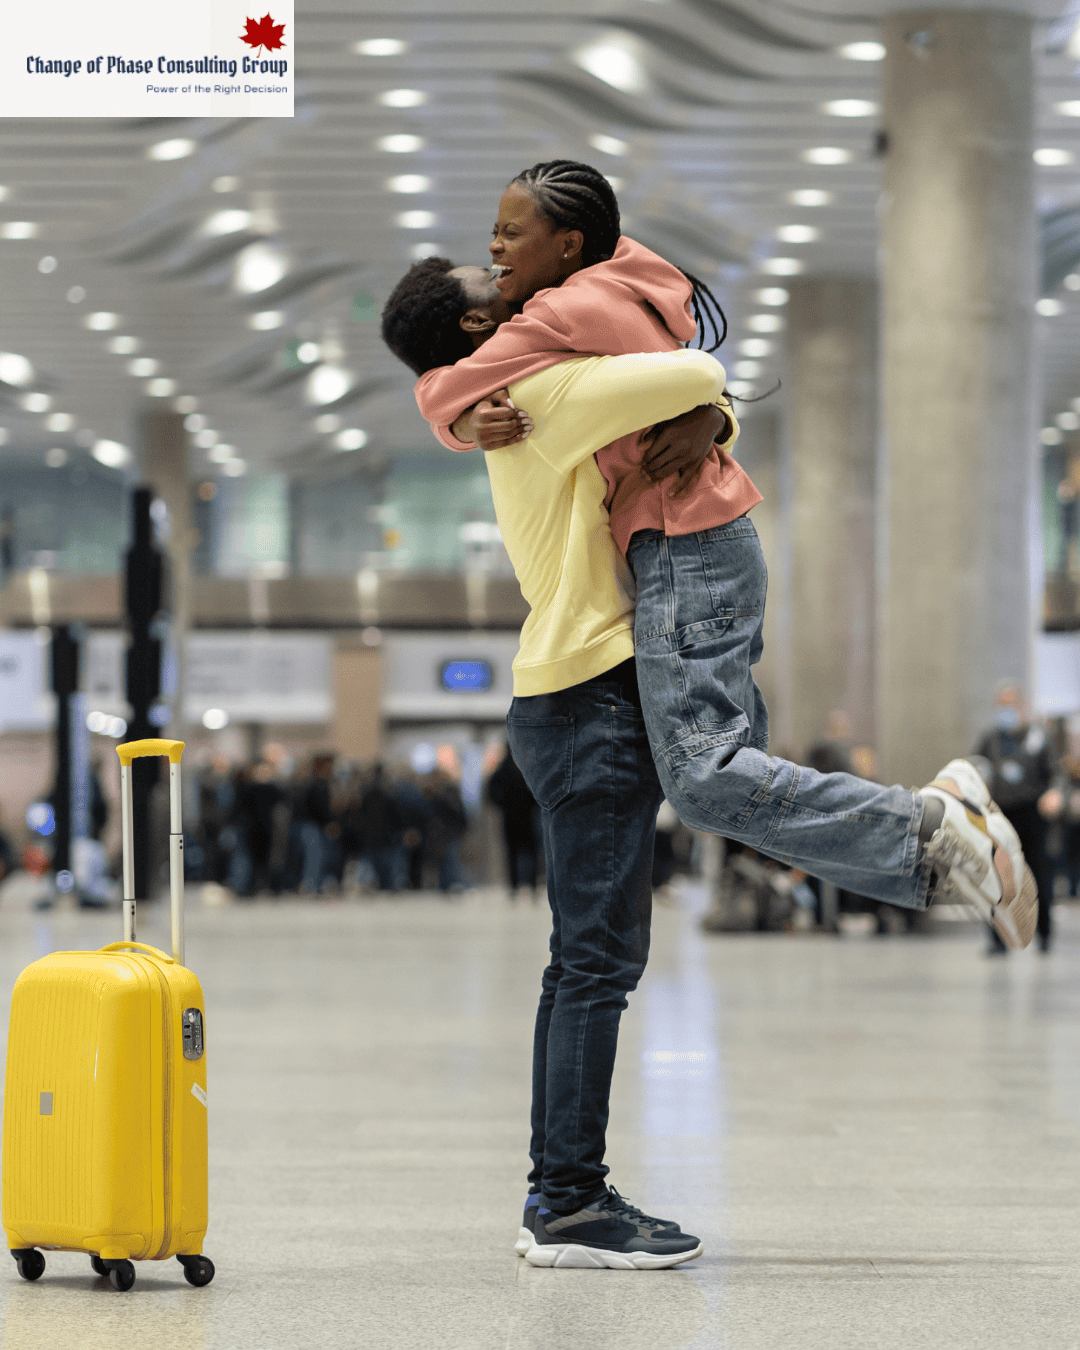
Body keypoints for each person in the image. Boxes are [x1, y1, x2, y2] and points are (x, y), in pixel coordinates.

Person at [381, 160, 1037, 1270]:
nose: (503, 272)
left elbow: (677, 385)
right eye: (489, 285)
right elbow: (686, 369)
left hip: (576, 690)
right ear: (479, 331)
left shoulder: (523, 387)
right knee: (601, 954)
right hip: (589, 694)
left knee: (587, 959)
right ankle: (568, 1202)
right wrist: (704, 400)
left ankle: (561, 1198)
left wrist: (700, 407)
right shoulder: (541, 392)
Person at [973, 682, 1058, 952]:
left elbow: (1054, 773)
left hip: (1032, 814)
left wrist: (1054, 793)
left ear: (1021, 706)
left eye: (1010, 704)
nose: (1006, 710)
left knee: (1038, 874)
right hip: (1000, 815)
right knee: (996, 876)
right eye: (1002, 705)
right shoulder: (990, 740)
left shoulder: (1038, 738)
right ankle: (998, 939)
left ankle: (1044, 933)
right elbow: (975, 769)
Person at [486, 743, 541, 899]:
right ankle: (528, 886)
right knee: (527, 853)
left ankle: (518, 886)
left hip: (516, 819)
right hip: (523, 819)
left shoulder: (504, 770)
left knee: (516, 854)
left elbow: (491, 794)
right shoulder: (526, 769)